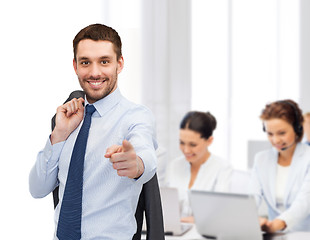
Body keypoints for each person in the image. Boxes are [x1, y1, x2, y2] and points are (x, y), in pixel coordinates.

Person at [29, 24, 157, 240]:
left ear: (120, 64)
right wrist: (59, 135)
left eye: (104, 61)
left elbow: (146, 155)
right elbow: (37, 188)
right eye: (85, 62)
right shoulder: (68, 119)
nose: (94, 72)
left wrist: (136, 164)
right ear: (75, 66)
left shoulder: (135, 117)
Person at [249, 99, 310, 233]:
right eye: (270, 134)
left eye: (282, 133)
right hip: (274, 235)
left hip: (304, 234)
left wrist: (275, 225)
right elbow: (253, 196)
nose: (276, 140)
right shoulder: (261, 159)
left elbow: (304, 203)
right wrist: (247, 218)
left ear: (297, 129)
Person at [165, 111, 232, 223]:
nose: (186, 150)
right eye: (182, 143)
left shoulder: (222, 168)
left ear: (209, 141)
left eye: (193, 145)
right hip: (174, 233)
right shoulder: (174, 166)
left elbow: (220, 214)